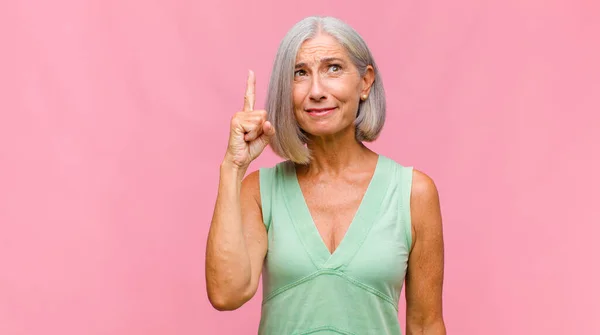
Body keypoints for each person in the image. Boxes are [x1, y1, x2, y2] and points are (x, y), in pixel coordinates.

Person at [206, 16, 446, 335]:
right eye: (300, 73)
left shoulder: (413, 193)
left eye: (333, 68)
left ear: (365, 82)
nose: (316, 90)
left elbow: (425, 324)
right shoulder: (260, 192)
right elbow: (226, 293)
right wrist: (232, 167)